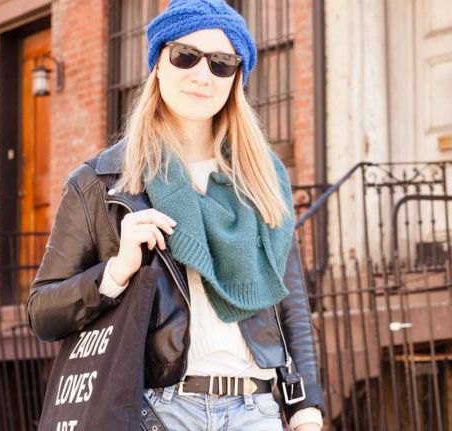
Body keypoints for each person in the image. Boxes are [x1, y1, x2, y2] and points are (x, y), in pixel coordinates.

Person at [27, 0, 325, 429]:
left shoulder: (261, 178)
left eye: (221, 63)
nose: (202, 75)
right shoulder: (102, 182)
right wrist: (115, 272)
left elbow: (290, 300)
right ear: (158, 65)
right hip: (159, 410)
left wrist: (306, 406)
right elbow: (42, 312)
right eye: (186, 56)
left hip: (256, 410)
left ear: (236, 78)